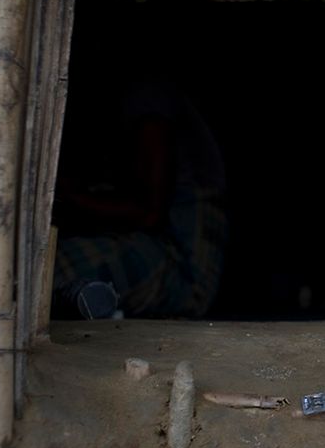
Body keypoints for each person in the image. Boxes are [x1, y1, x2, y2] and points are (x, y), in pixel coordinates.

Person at [53, 78, 227, 319]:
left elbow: (149, 212)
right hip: (162, 257)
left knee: (49, 265)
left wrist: (71, 198)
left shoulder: (149, 95)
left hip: (184, 275)